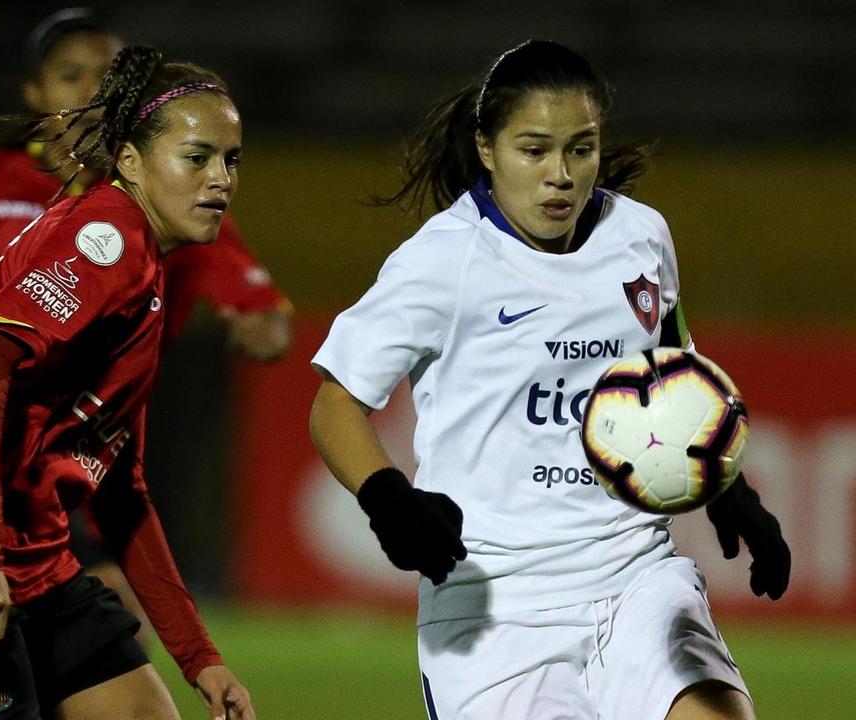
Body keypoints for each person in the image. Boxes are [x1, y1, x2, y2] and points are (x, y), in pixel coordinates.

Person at [308, 40, 790, 720]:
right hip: (498, 606)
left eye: (581, 148)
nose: (560, 175)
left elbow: (675, 365)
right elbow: (334, 405)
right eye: (533, 150)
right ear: (487, 148)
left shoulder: (640, 235)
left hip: (636, 575)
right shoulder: (443, 261)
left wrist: (727, 491)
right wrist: (388, 497)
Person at [0, 8, 291, 642]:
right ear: (35, 94)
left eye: (107, 74)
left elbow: (259, 307)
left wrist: (260, 321)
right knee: (92, 636)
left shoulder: (170, 192)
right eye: (71, 75)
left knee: (99, 644)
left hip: (85, 453)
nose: (91, 89)